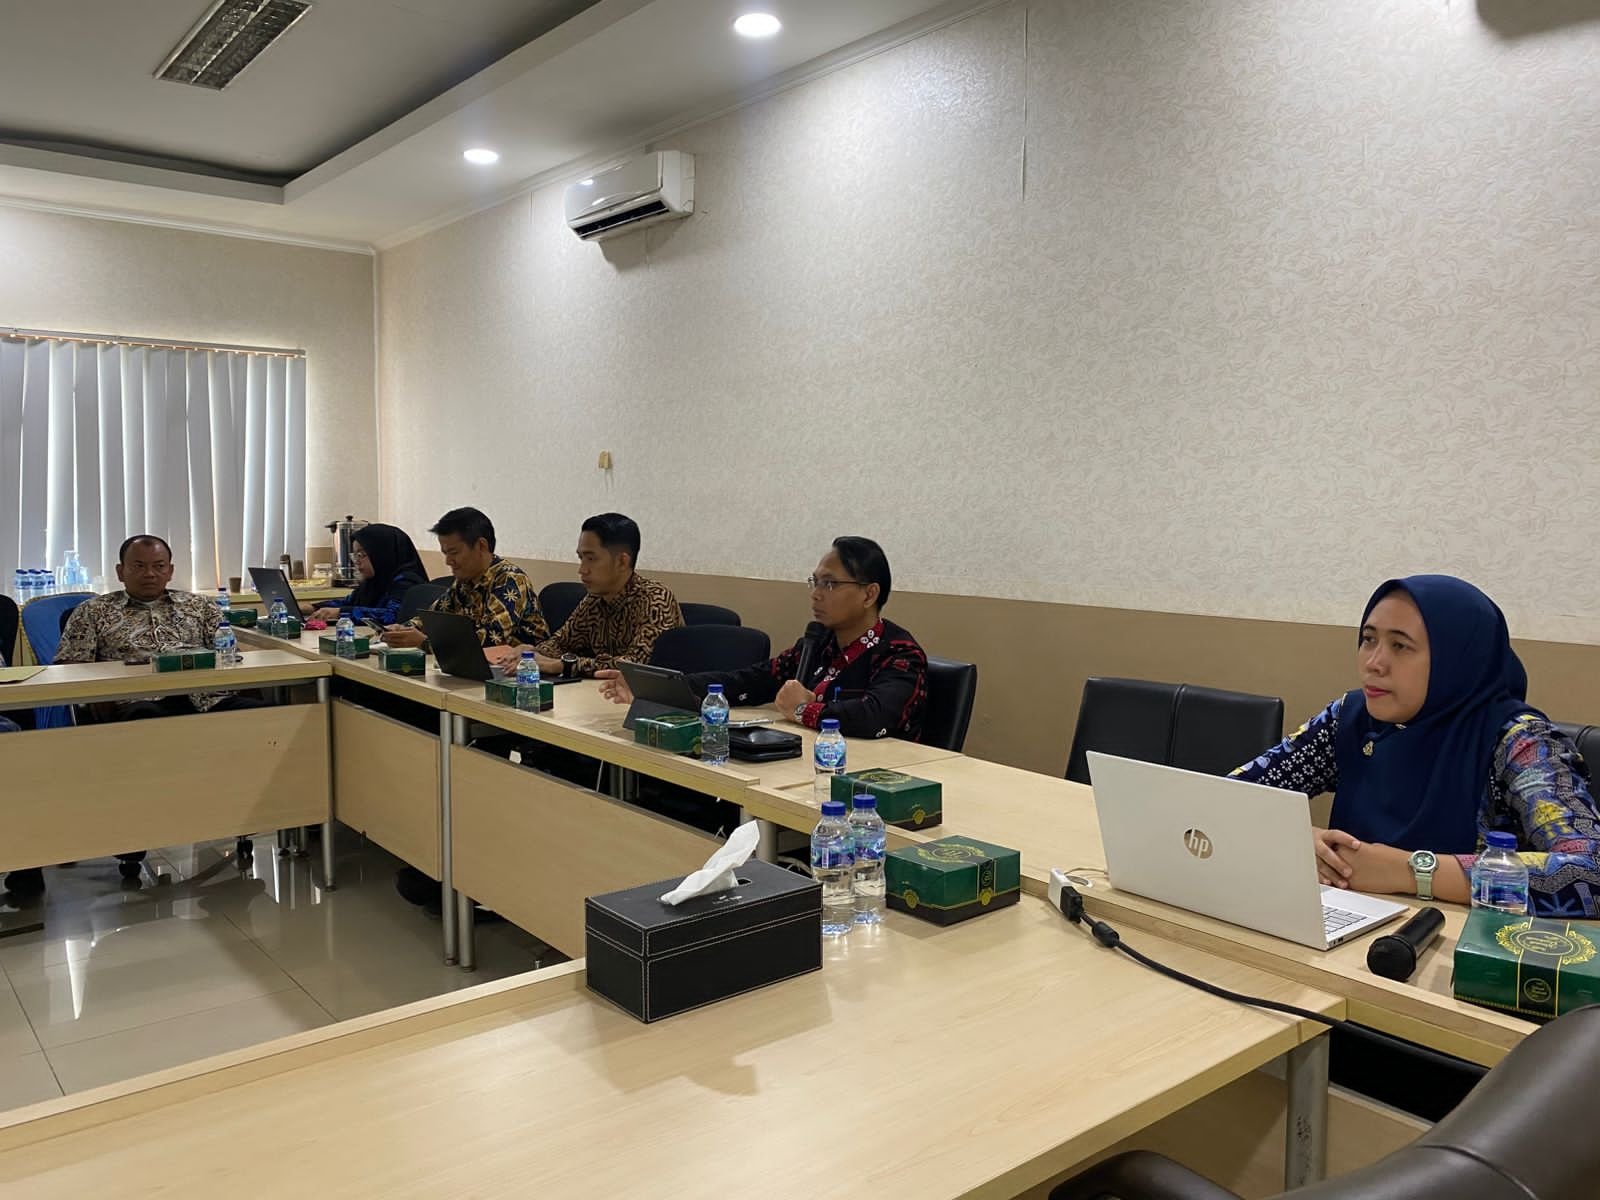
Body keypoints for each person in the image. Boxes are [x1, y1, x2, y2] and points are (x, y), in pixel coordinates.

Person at [1232, 575, 1600, 918]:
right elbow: (1226, 798)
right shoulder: (1350, 718)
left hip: (1464, 953)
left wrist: (1410, 870)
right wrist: (1297, 837)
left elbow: (1591, 872)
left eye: (1400, 646)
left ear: (1456, 658)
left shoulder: (1521, 742)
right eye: (1368, 639)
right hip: (1346, 931)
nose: (1374, 663)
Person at [22, 534, 263, 892]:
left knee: (264, 718)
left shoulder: (199, 607)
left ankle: (256, 810)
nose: (149, 574)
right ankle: (141, 826)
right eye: (139, 566)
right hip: (137, 702)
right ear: (121, 571)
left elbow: (231, 654)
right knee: (147, 726)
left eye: (158, 566)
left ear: (170, 571)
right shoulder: (94, 612)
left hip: (206, 699)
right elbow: (69, 668)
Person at [598, 536, 928, 740]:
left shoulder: (899, 654)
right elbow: (750, 680)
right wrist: (663, 689)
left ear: (869, 594)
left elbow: (875, 716)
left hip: (872, 783)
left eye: (829, 584)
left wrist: (805, 709)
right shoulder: (818, 644)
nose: (815, 594)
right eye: (813, 582)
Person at [502, 513, 682, 677]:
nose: (582, 570)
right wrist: (532, 652)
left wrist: (562, 665)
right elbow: (561, 643)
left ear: (622, 561)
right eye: (581, 558)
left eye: (591, 559)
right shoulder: (595, 599)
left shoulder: (655, 599)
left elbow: (635, 667)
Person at [383, 507, 547, 653]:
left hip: (521, 675)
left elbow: (491, 639)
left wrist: (426, 643)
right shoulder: (464, 581)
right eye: (445, 553)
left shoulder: (510, 580)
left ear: (481, 546)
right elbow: (432, 618)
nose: (448, 561)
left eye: (453, 552)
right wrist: (402, 630)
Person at [305, 523, 428, 626]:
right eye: (354, 556)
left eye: (361, 555)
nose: (356, 562)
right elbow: (349, 602)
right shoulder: (374, 581)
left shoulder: (407, 582)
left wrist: (339, 613)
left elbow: (391, 616)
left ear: (382, 554)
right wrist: (312, 607)